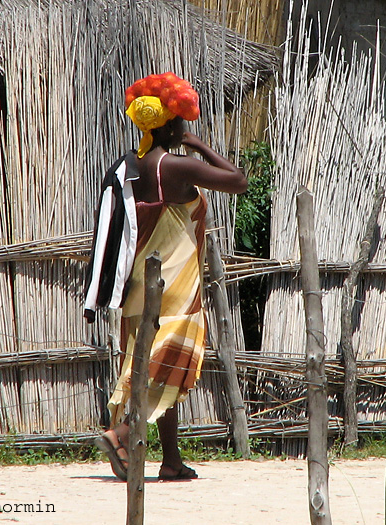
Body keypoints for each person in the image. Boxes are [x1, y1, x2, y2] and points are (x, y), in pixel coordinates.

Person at [93, 72, 247, 481]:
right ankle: (123, 432)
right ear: (171, 125)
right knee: (168, 366)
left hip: (138, 282)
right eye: (182, 122)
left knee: (149, 364)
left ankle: (171, 460)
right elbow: (238, 181)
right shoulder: (177, 166)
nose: (185, 127)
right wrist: (200, 147)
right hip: (175, 285)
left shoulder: (131, 166)